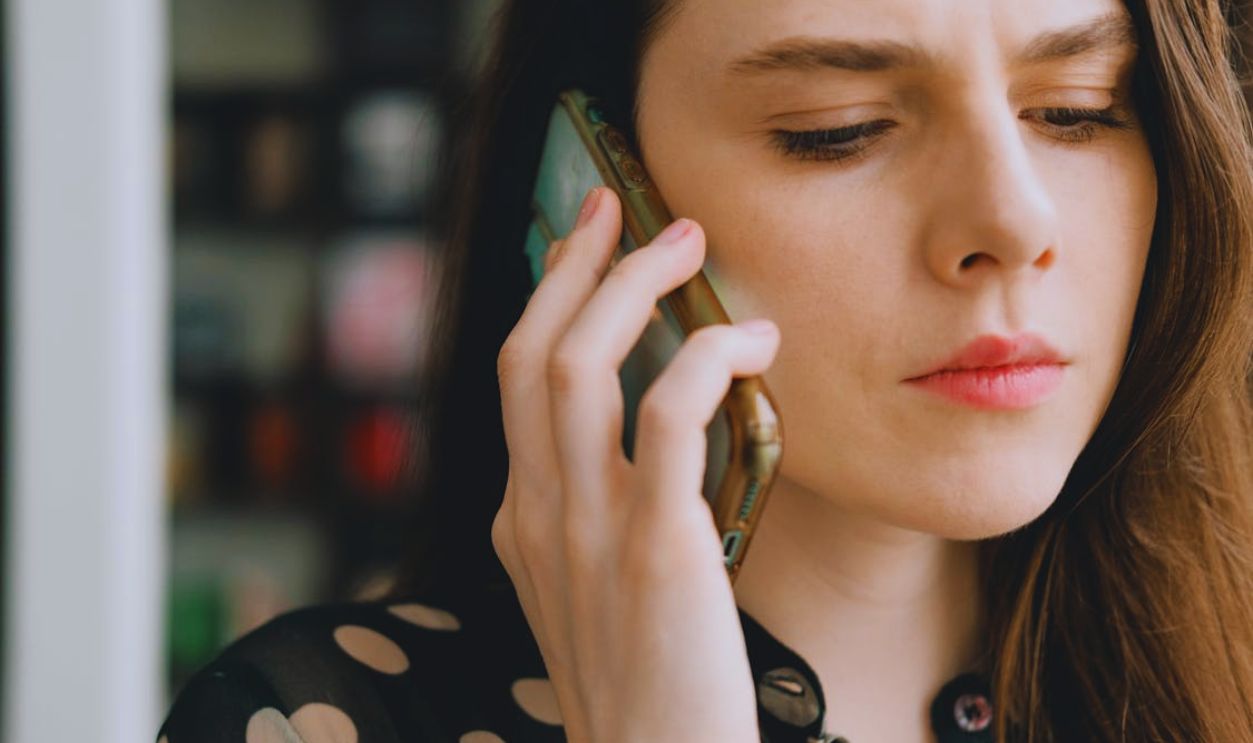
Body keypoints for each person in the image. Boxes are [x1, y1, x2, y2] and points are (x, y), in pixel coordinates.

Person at [157, 0, 1253, 741]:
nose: (1014, 221)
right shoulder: (307, 718)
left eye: (1077, 109)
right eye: (837, 130)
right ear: (592, 182)